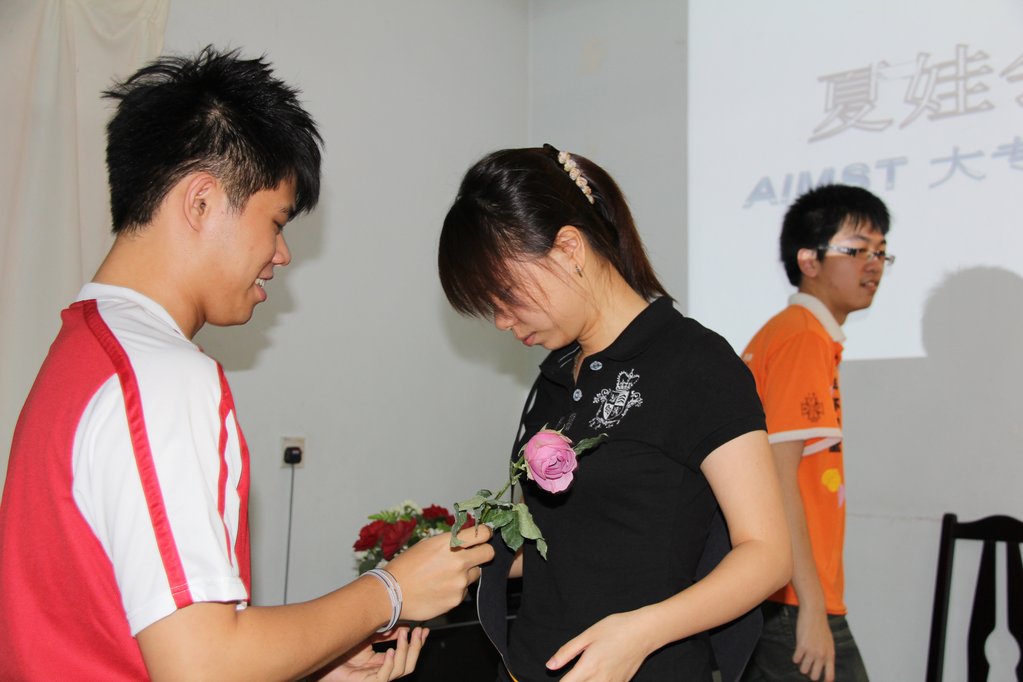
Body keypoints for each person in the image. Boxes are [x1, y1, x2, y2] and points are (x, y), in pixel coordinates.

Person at [0, 46, 493, 682]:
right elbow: (203, 666)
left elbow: (121, 628)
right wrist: (391, 592)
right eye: (277, 221)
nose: (281, 254)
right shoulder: (161, 378)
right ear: (201, 201)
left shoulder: (85, 350)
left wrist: (310, 668)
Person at [437, 145, 791, 682]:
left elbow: (766, 554)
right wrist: (460, 558)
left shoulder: (695, 363)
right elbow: (568, 542)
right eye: (491, 307)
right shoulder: (556, 376)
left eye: (505, 295)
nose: (502, 321)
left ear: (568, 249)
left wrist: (641, 632)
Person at [740, 184, 892, 682]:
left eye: (881, 252)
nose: (874, 264)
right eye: (857, 250)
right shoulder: (802, 336)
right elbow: (777, 476)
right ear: (808, 259)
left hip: (783, 593)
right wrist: (811, 606)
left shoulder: (803, 333)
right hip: (793, 598)